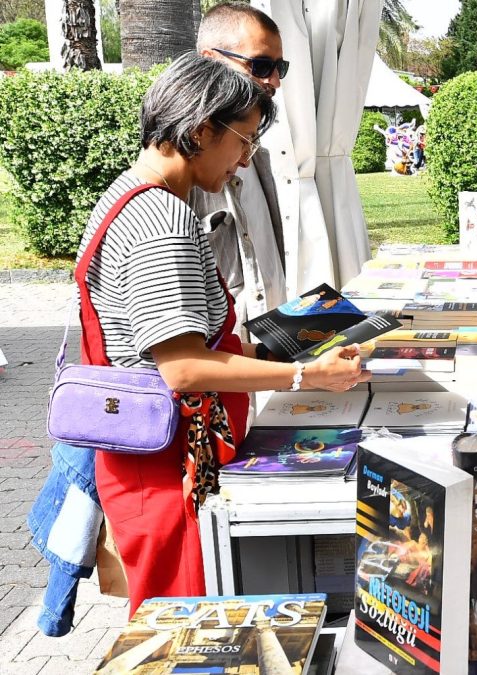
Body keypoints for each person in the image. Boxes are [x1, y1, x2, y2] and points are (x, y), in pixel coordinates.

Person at [81, 53, 370, 616]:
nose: (243, 161)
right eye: (244, 141)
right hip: (167, 470)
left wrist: (266, 348)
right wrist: (306, 374)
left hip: (151, 458)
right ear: (199, 129)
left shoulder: (128, 195)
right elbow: (183, 368)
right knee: (190, 628)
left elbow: (172, 340)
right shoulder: (163, 221)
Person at [191, 2, 289, 339]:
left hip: (261, 348)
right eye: (261, 65)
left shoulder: (258, 152)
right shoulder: (177, 173)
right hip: (219, 365)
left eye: (280, 67)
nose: (274, 80)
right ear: (209, 60)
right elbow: (180, 362)